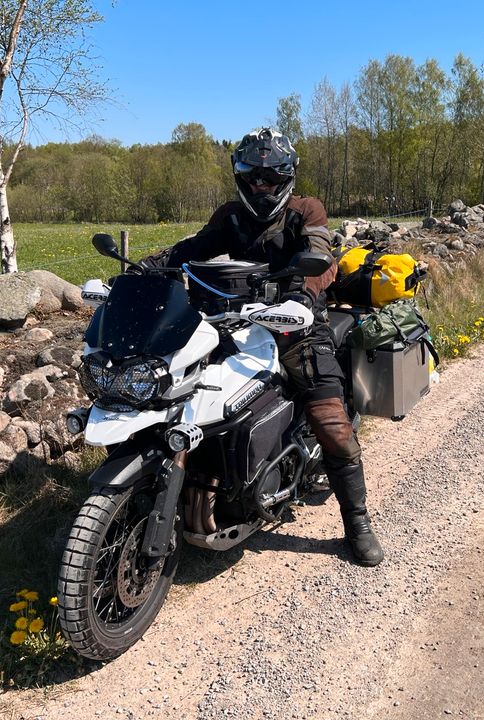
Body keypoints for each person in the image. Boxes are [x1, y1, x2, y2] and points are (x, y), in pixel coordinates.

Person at [143, 127, 384, 566]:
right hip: (231, 324)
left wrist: (303, 298)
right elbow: (193, 248)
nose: (260, 184)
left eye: (270, 176)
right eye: (252, 175)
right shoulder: (231, 216)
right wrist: (147, 267)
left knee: (330, 423)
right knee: (184, 395)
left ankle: (358, 522)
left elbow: (320, 255)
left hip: (297, 326)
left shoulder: (304, 210)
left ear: (286, 176)